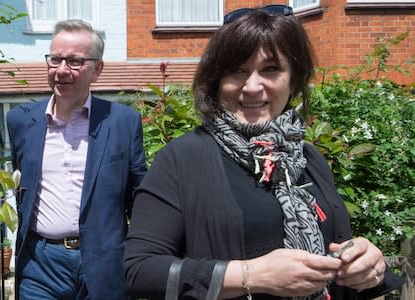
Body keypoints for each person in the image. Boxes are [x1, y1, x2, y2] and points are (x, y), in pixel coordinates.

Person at [124, 5, 403, 300]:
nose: (252, 86)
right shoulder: (182, 159)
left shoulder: (308, 158)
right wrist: (252, 275)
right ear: (216, 81)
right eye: (236, 71)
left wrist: (368, 268)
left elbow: (337, 250)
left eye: (271, 69)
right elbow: (140, 270)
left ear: (293, 79)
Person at [7, 19, 147, 299]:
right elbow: (22, 185)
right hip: (40, 263)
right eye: (55, 59)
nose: (61, 70)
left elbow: (138, 195)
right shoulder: (20, 121)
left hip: (104, 260)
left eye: (74, 61)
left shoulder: (122, 122)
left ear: (97, 69)